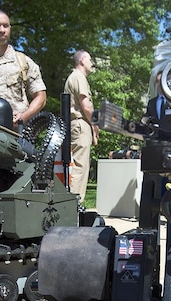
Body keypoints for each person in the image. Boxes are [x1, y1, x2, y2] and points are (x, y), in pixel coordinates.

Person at [64, 50, 98, 204]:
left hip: (75, 124)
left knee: (78, 166)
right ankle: (75, 205)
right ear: (82, 60)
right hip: (80, 123)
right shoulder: (79, 77)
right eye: (90, 60)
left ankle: (73, 205)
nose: (92, 63)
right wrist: (95, 125)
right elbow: (87, 106)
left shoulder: (74, 77)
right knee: (80, 166)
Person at [145, 71, 171, 142]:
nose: (160, 84)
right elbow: (148, 119)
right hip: (155, 141)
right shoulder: (152, 103)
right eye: (158, 81)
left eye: (162, 81)